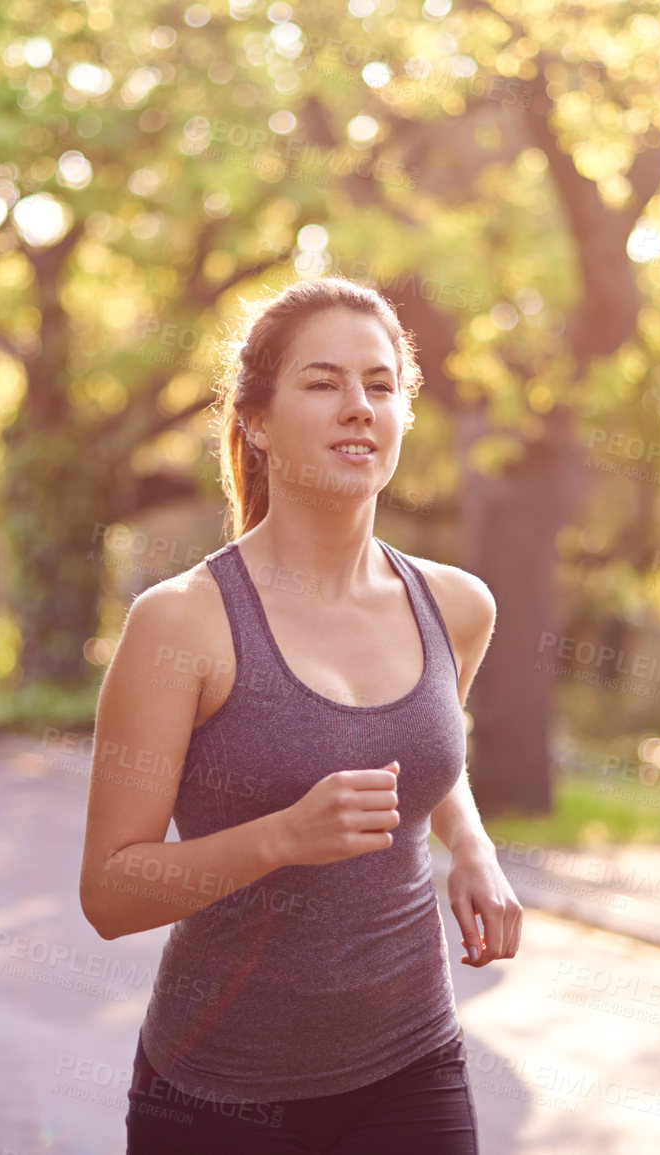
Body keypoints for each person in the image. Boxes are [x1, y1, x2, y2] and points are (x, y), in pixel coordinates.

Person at [78, 276, 523, 1154]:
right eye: (322, 383)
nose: (358, 407)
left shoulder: (456, 606)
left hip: (412, 1063)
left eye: (381, 385)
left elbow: (430, 754)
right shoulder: (182, 622)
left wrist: (470, 844)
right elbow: (110, 892)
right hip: (218, 1092)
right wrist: (281, 836)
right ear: (256, 420)